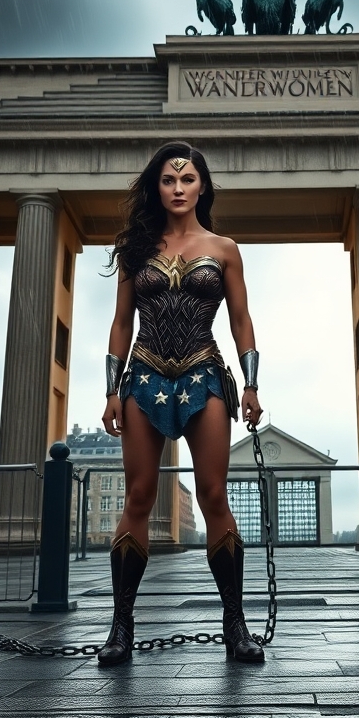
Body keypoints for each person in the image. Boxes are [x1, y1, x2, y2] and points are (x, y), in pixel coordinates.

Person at [98, 141, 265, 666]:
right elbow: (122, 322)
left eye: (187, 179)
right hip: (143, 376)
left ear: (202, 186)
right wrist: (109, 391)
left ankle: (235, 623)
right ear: (157, 187)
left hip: (204, 374)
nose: (177, 188)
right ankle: (120, 626)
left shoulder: (225, 248)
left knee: (215, 494)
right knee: (140, 495)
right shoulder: (135, 248)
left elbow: (241, 319)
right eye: (168, 181)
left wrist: (252, 383)